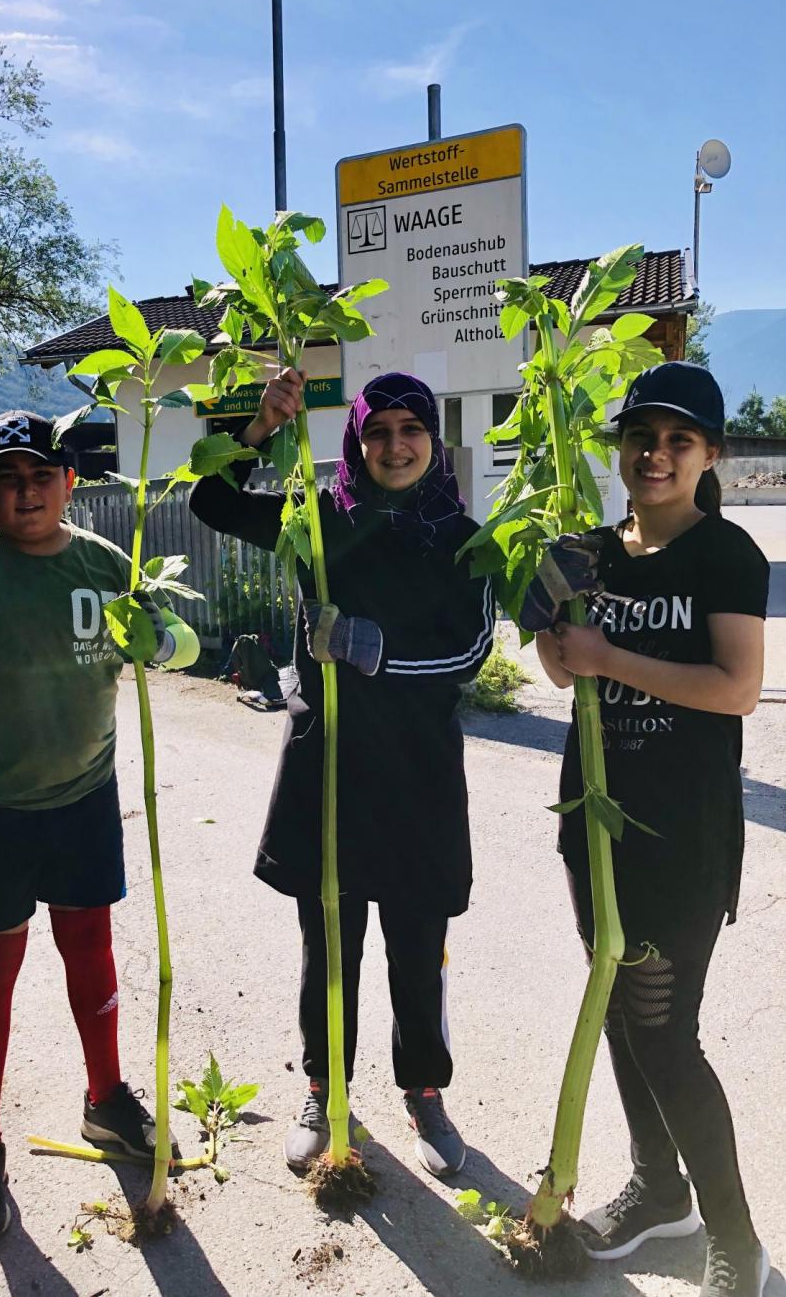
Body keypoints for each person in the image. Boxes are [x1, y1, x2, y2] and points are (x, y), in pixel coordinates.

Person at [0, 410, 199, 1242]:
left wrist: (162, 639)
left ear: (70, 484)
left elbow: (187, 646)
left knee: (91, 951)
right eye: (8, 478)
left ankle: (106, 1102)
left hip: (85, 800)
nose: (26, 492)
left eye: (41, 476)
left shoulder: (104, 565)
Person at [190, 370, 494, 1178]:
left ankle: (424, 1088)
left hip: (419, 771)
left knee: (417, 943)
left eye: (410, 429)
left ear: (432, 440)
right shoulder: (315, 519)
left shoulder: (462, 536)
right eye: (377, 431)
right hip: (328, 762)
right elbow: (212, 506)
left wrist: (374, 653)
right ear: (355, 441)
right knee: (328, 944)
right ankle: (325, 1089)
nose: (394, 445)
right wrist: (258, 426)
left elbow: (471, 651)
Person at [525, 363, 770, 1297]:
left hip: (683, 835)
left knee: (667, 1034)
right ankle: (658, 1190)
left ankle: (734, 1237)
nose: (655, 454)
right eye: (642, 436)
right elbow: (557, 671)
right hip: (595, 825)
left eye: (679, 440)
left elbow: (737, 688)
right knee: (620, 1015)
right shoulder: (585, 549)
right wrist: (562, 644)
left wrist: (606, 653)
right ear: (618, 448)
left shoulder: (727, 556)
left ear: (711, 455)